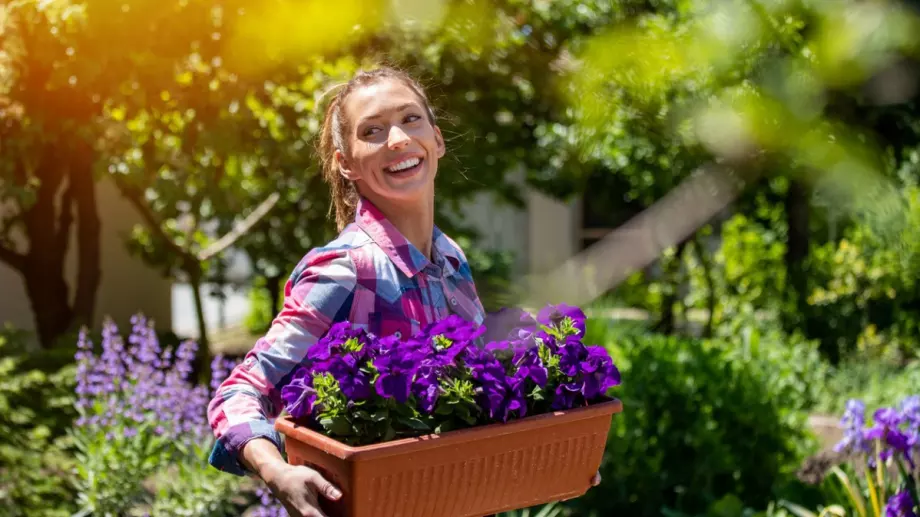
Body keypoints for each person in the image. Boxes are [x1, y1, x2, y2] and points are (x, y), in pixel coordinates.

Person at [206, 66, 598, 517]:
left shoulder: (450, 260)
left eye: (411, 119)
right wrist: (278, 473)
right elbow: (238, 393)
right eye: (371, 131)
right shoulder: (344, 269)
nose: (397, 139)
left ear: (437, 139)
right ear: (346, 162)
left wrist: (560, 444)